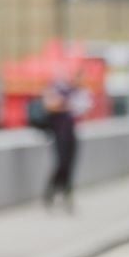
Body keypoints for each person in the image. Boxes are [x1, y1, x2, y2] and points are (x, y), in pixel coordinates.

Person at [42, 70, 86, 212]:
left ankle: (66, 192)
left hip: (71, 132)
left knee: (69, 163)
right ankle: (53, 190)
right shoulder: (59, 88)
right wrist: (65, 103)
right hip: (59, 132)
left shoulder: (78, 93)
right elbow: (50, 105)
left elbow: (82, 109)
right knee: (61, 162)